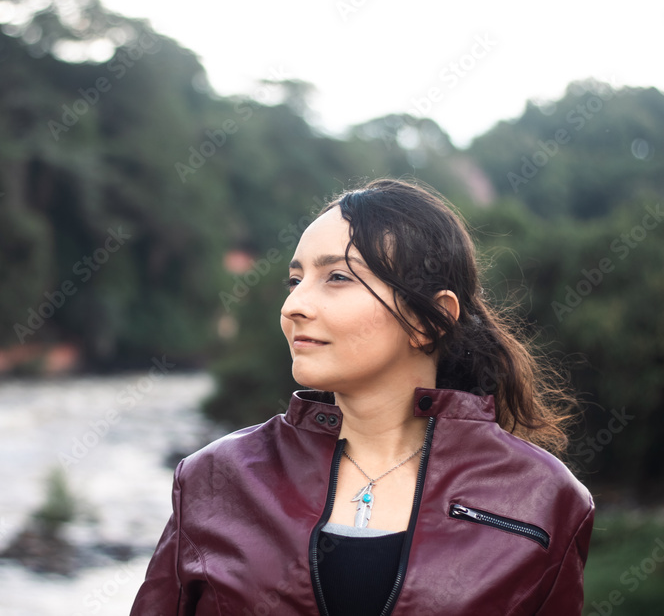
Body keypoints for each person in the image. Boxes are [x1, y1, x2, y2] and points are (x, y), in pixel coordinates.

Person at [130, 178, 594, 615]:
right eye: (295, 280)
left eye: (336, 277)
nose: (293, 306)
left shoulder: (542, 498)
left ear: (429, 319)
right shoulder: (214, 479)